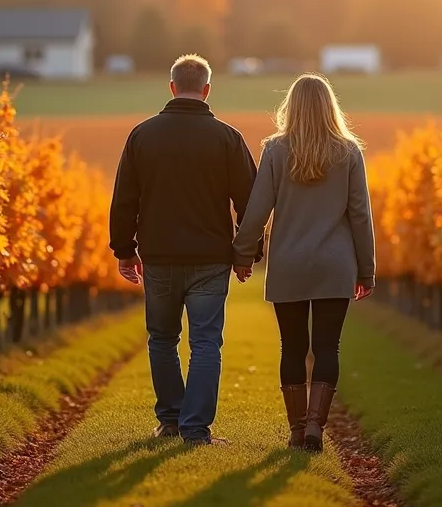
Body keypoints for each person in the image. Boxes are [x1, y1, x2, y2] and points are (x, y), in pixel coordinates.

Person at [109, 54, 260, 446]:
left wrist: (125, 250)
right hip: (211, 258)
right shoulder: (228, 138)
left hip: (158, 257)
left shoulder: (142, 135)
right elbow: (252, 202)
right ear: (207, 89)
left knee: (162, 339)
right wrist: (247, 252)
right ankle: (196, 429)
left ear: (172, 87)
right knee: (206, 342)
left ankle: (171, 421)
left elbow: (124, 199)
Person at [232, 73, 375, 452]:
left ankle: (296, 430)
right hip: (335, 264)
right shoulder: (349, 152)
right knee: (328, 348)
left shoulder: (275, 151)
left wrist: (243, 253)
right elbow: (360, 215)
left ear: (290, 107)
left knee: (292, 348)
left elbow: (257, 210)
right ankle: (315, 426)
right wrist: (367, 269)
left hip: (289, 264)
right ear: (331, 107)